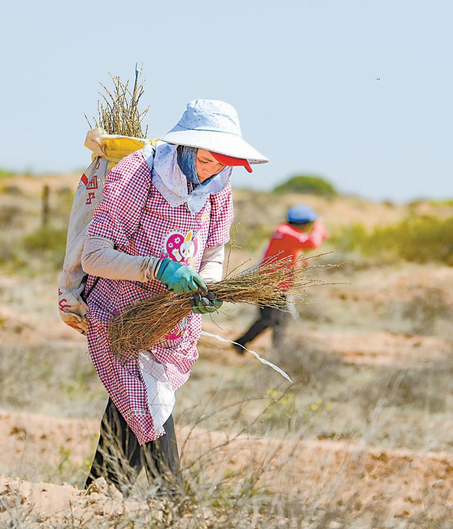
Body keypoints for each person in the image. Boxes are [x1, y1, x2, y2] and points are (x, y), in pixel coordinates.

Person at [80, 100, 268, 496]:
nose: (213, 170)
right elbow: (94, 255)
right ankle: (175, 502)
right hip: (122, 313)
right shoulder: (139, 174)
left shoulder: (219, 185)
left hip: (171, 319)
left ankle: (100, 492)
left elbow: (214, 250)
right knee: (152, 401)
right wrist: (158, 268)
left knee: (132, 404)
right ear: (184, 148)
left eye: (222, 164)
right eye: (206, 161)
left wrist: (208, 286)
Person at [232, 204, 327, 353]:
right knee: (269, 319)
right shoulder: (285, 232)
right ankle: (242, 343)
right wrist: (319, 226)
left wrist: (301, 261)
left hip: (278, 286)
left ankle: (275, 351)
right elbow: (311, 243)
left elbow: (286, 253)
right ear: (304, 223)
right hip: (270, 285)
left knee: (280, 320)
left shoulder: (284, 232)